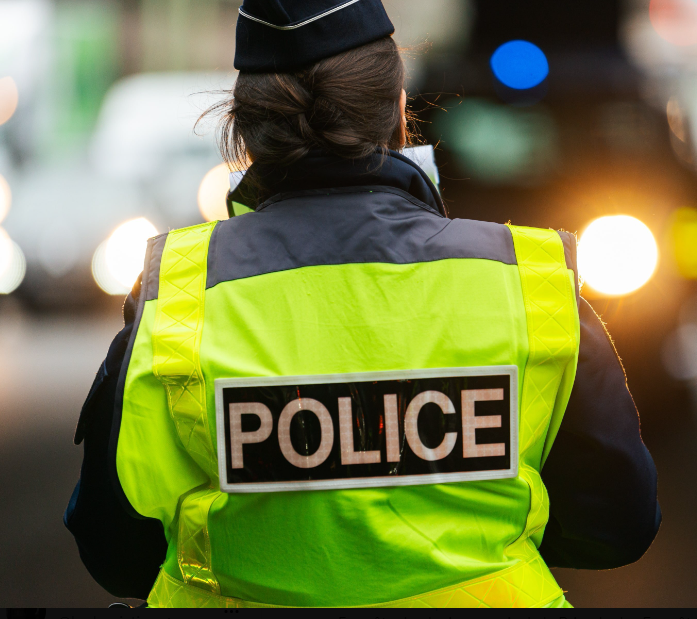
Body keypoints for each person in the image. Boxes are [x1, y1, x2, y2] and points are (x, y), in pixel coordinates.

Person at [64, 0, 660, 608]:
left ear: (244, 131)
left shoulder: (179, 296)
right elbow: (616, 529)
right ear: (400, 113)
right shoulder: (529, 283)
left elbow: (116, 553)